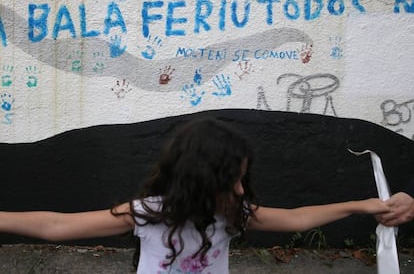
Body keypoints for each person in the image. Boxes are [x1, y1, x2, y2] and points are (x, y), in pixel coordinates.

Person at [0, 118, 390, 273]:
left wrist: (363, 205)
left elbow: (296, 218)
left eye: (242, 180)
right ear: (197, 181)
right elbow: (55, 224)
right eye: (231, 182)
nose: (240, 191)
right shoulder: (146, 213)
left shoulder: (232, 211)